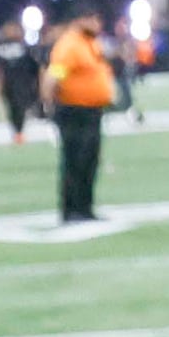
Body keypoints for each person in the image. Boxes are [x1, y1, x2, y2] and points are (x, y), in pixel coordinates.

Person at [43, 14, 117, 225]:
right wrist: (50, 107)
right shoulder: (70, 45)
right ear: (79, 20)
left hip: (91, 111)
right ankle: (72, 209)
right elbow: (54, 75)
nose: (98, 24)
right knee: (76, 161)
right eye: (92, 19)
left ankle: (85, 207)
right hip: (74, 111)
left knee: (89, 161)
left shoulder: (89, 43)